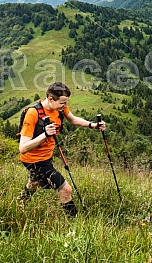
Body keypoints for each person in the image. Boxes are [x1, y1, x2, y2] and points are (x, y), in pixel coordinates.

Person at [17, 82, 105, 216]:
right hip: (34, 160)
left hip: (46, 156)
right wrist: (45, 135)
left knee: (34, 182)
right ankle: (74, 222)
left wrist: (93, 125)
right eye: (62, 103)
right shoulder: (33, 113)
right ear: (50, 98)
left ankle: (20, 205)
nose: (65, 107)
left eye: (66, 103)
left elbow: (73, 119)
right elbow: (22, 148)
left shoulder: (59, 108)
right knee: (66, 190)